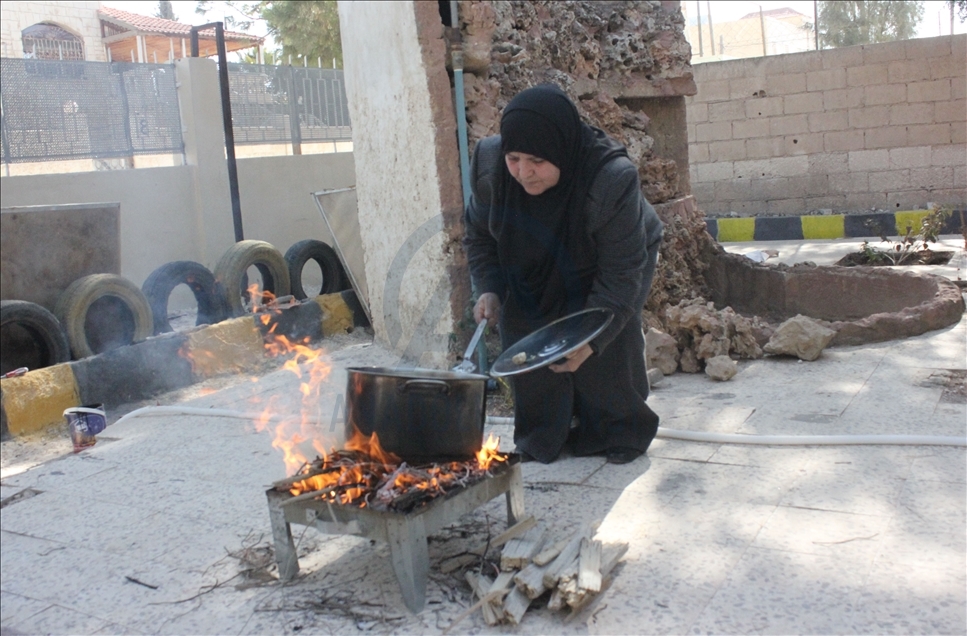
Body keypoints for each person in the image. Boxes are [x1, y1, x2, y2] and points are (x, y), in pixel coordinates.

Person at [463, 84, 664, 465]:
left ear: (561, 152)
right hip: (530, 254)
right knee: (526, 336)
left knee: (603, 342)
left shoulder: (611, 180)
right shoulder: (490, 166)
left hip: (613, 256)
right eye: (515, 158)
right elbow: (478, 235)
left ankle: (619, 429)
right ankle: (543, 435)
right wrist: (488, 288)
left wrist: (590, 343)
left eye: (537, 160)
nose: (523, 173)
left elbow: (621, 276)